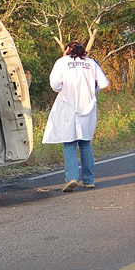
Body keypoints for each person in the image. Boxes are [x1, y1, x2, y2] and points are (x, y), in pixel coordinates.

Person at [42, 42, 109, 192]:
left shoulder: (62, 62)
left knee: (69, 143)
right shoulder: (90, 63)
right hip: (88, 107)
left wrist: (65, 87)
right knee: (85, 143)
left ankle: (71, 178)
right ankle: (89, 180)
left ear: (67, 50)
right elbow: (104, 83)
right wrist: (92, 90)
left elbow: (55, 85)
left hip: (68, 106)